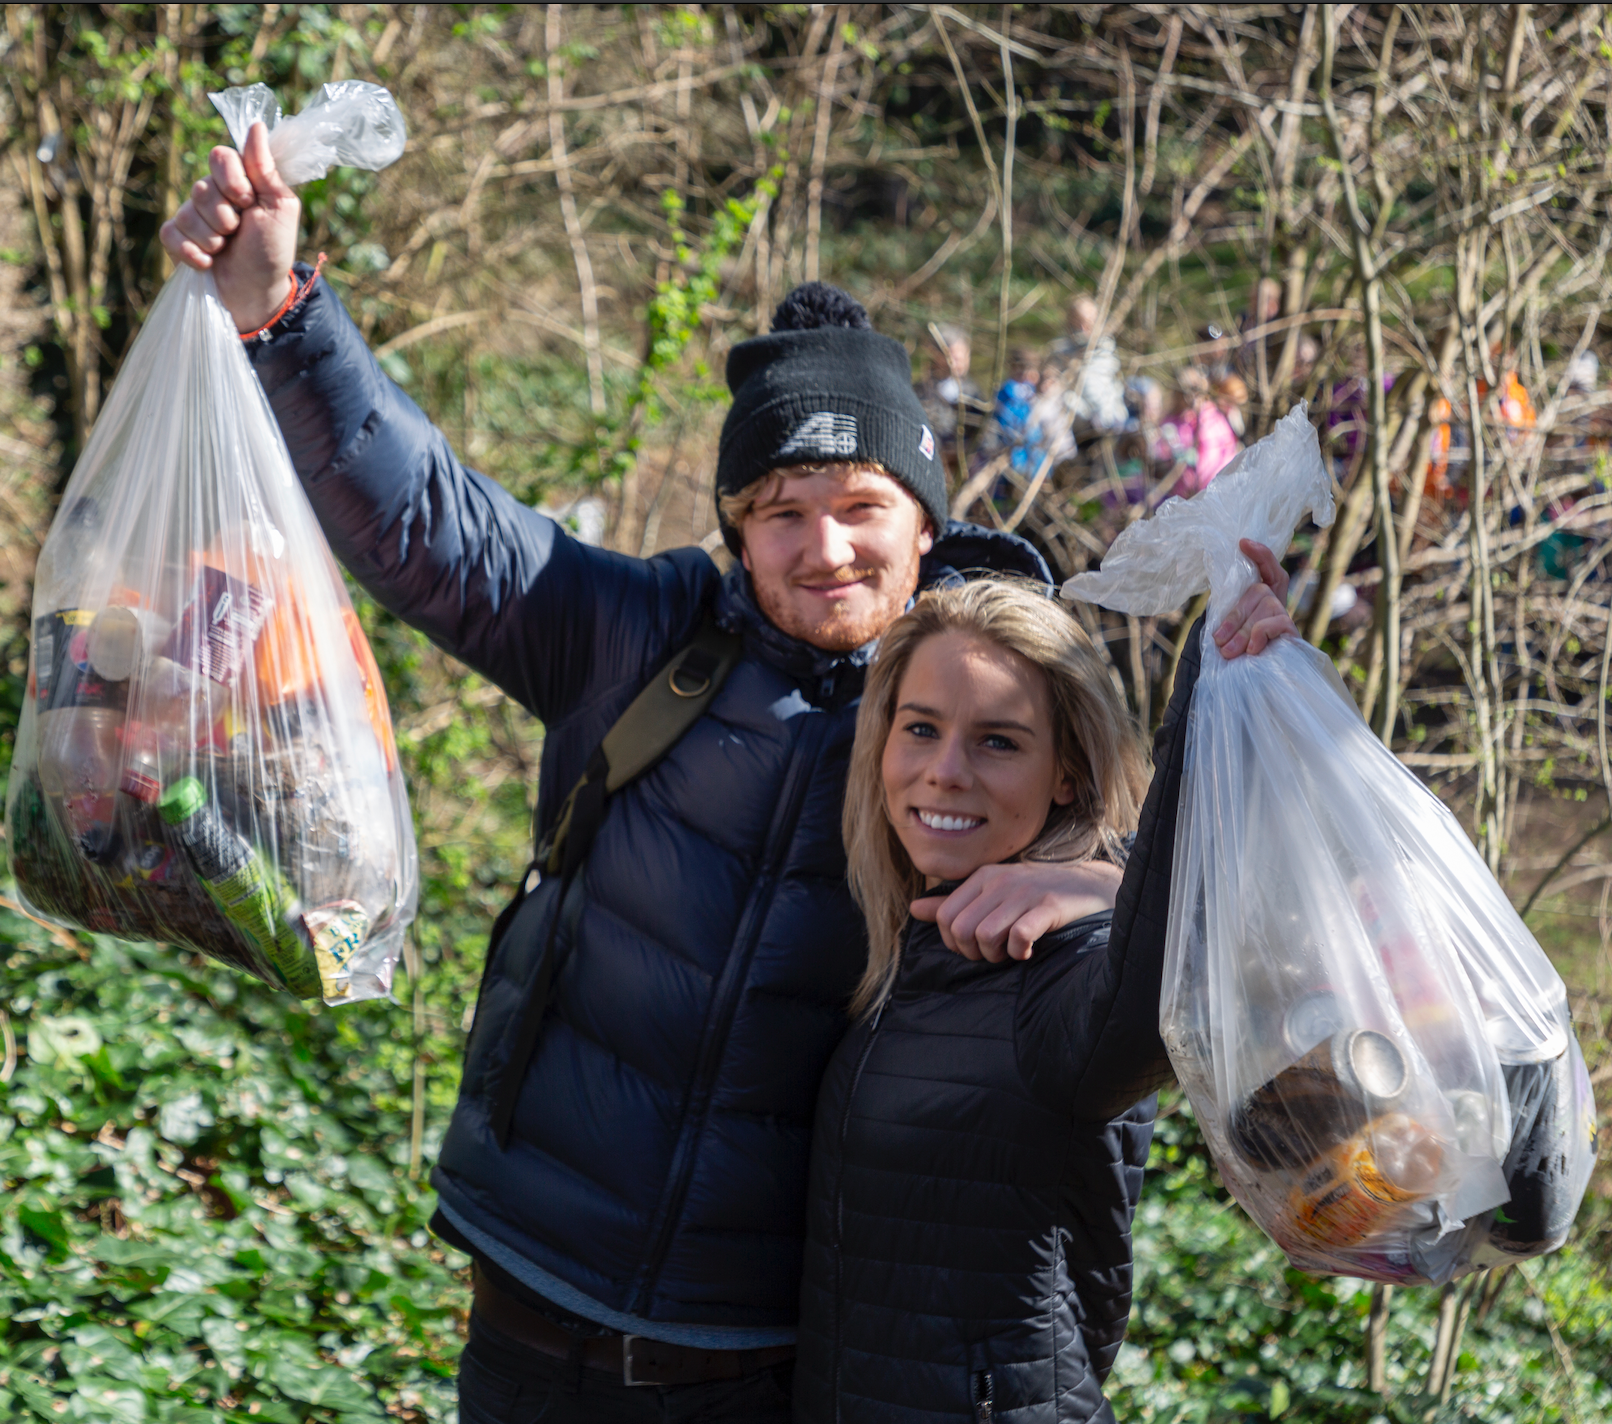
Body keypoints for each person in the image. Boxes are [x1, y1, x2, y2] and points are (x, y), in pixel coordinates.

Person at [160, 126, 1293, 1423]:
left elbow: (1134, 911)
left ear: (923, 521)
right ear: (738, 530)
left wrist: (1102, 882)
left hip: (753, 1358)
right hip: (530, 1300)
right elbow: (426, 517)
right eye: (781, 510)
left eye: (862, 504)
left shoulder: (967, 724)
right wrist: (281, 313)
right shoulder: (637, 639)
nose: (825, 548)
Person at [795, 568, 1297, 1423]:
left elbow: (1146, 994)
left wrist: (1215, 708)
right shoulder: (915, 937)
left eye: (999, 741)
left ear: (1066, 773)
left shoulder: (1064, 959)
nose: (945, 771)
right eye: (920, 729)